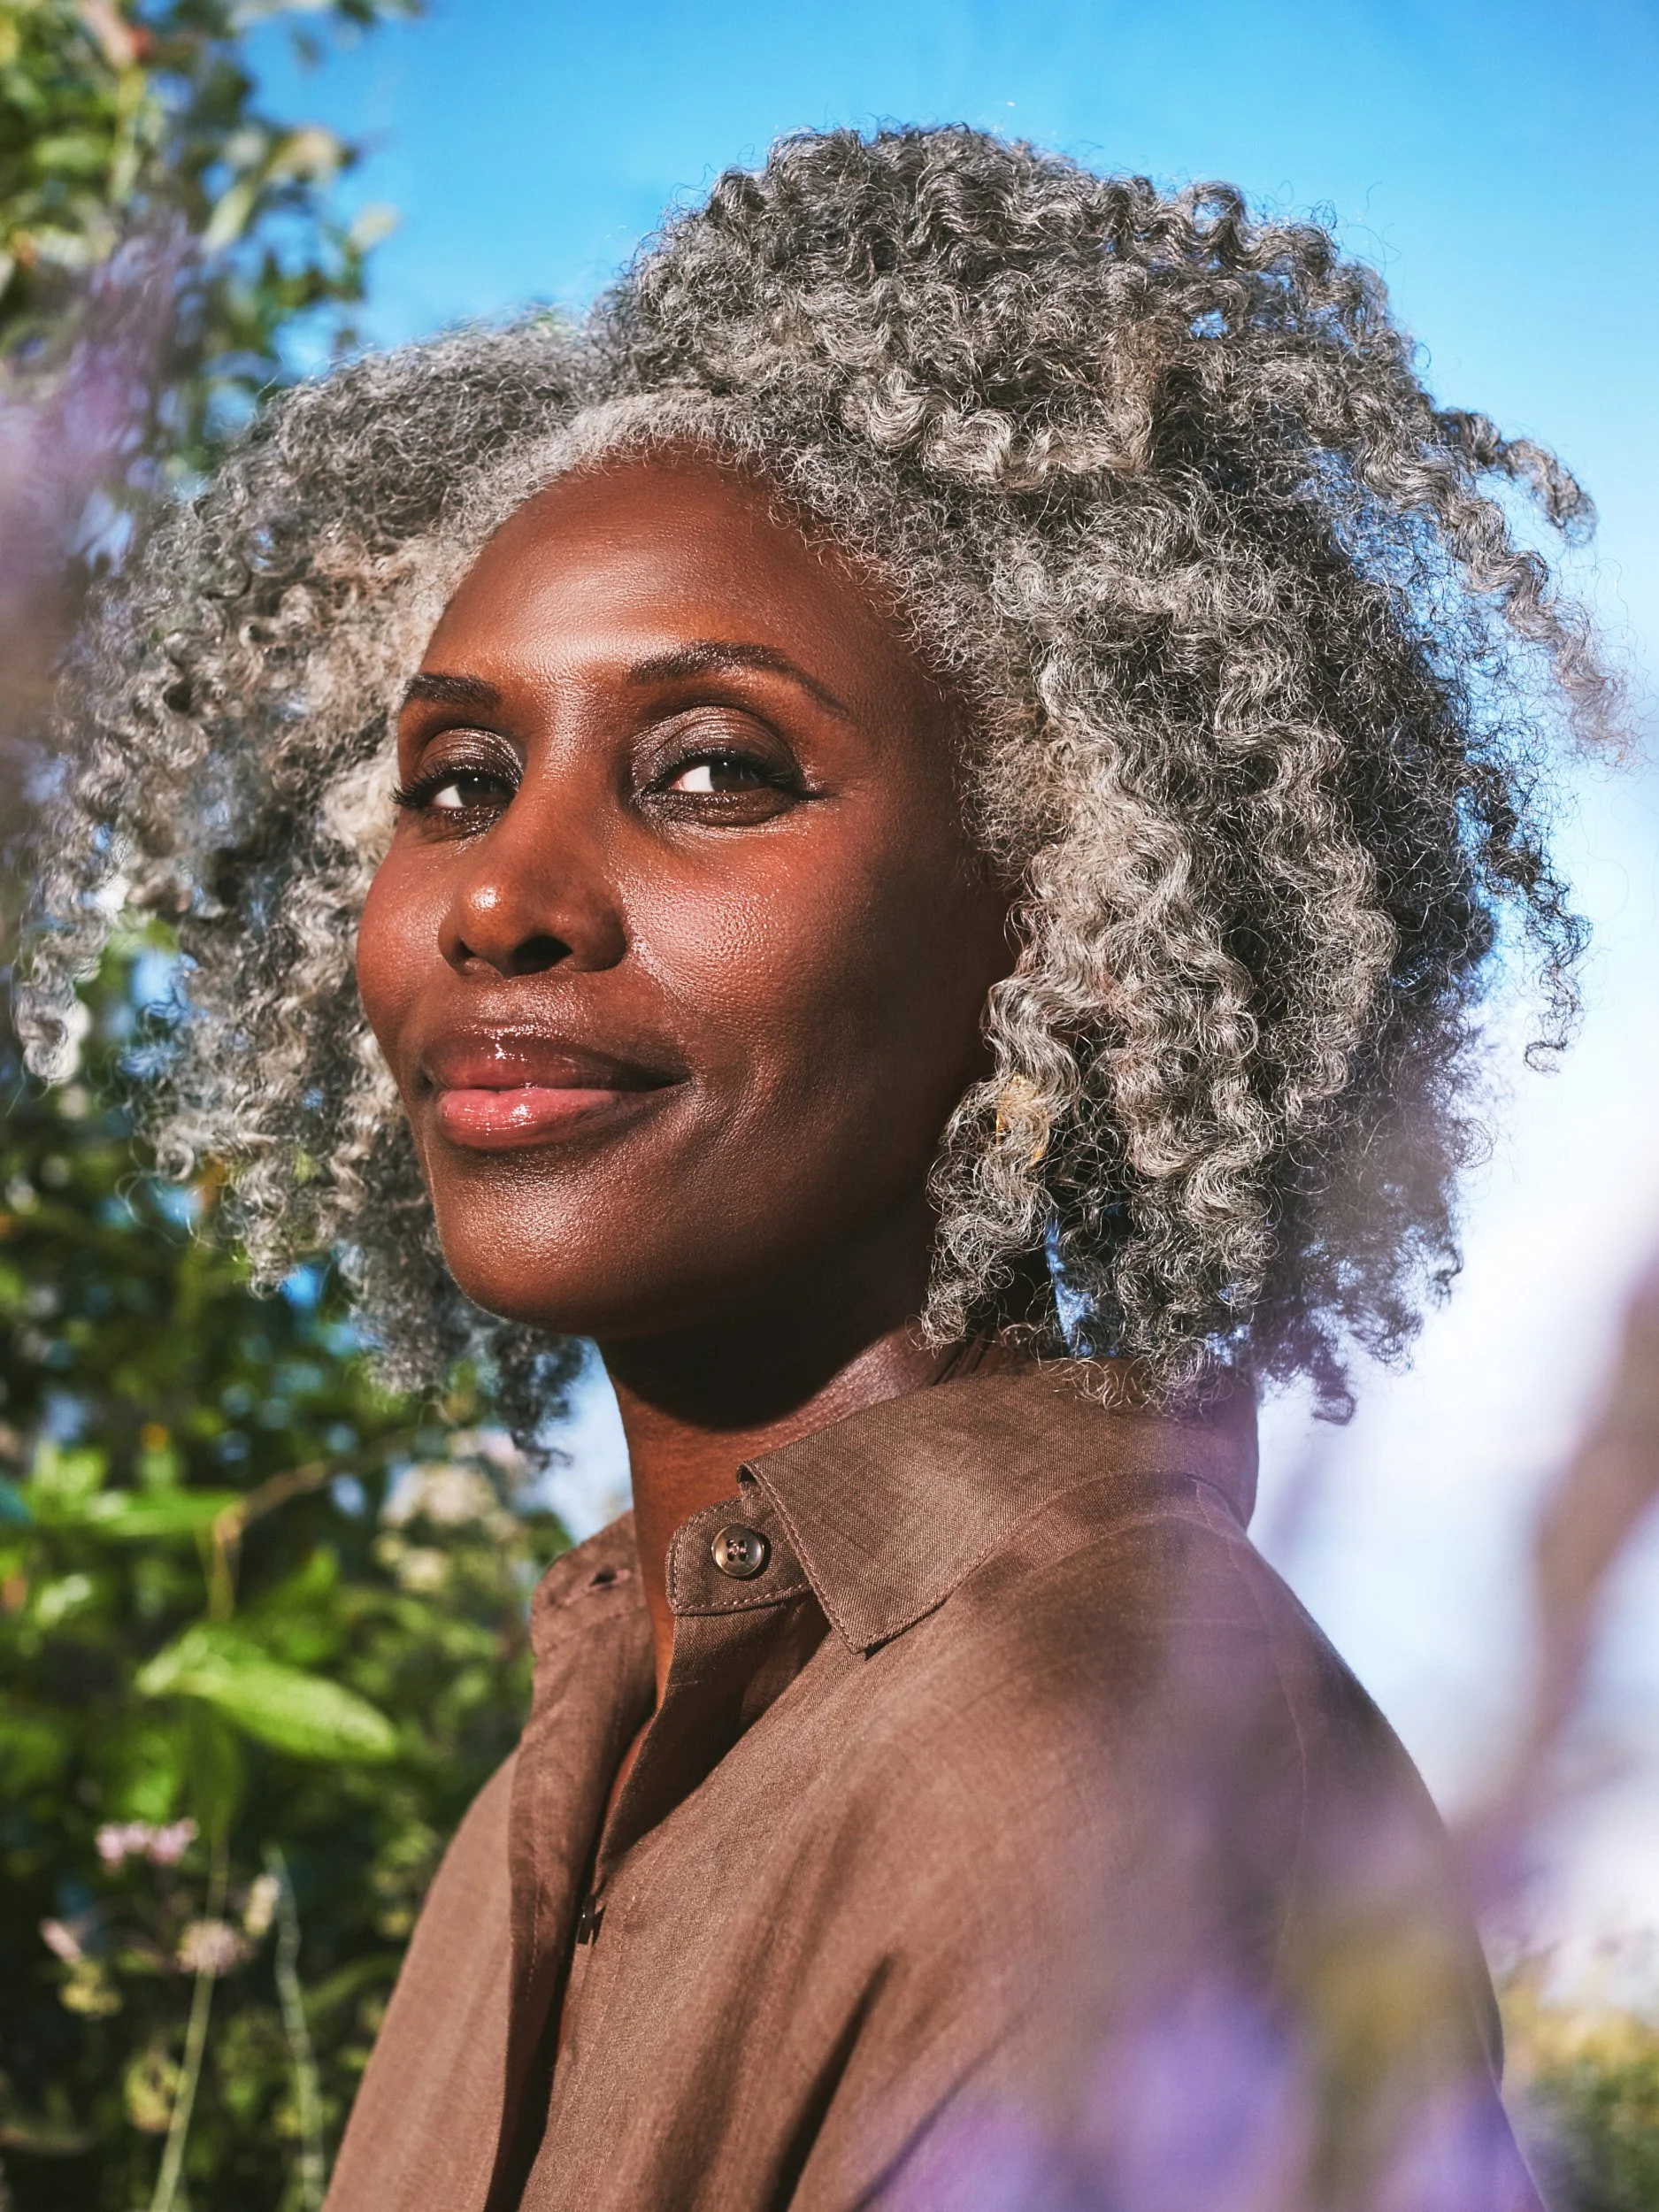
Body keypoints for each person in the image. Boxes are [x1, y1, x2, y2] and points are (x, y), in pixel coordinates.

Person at [21, 127, 1613, 2210]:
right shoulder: (579, 1765)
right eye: (454, 781)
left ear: (1071, 920)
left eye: (712, 771)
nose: (500, 892)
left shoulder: (1111, 1779)